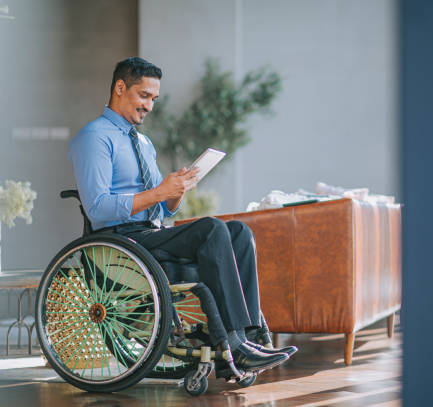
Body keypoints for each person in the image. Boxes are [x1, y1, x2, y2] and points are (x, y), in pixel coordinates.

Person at [68, 56, 296, 372]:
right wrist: (160, 192)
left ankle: (251, 336)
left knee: (239, 232)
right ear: (120, 88)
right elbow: (97, 207)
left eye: (154, 99)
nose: (149, 105)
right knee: (211, 228)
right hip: (121, 242)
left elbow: (161, 208)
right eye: (144, 96)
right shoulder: (95, 137)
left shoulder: (144, 143)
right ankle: (234, 343)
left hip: (151, 233)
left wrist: (175, 194)